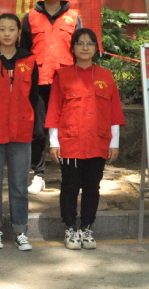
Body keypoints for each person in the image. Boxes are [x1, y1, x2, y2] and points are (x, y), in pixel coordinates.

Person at [46, 28, 124, 251]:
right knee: (70, 186)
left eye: (90, 43)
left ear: (96, 48)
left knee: (92, 187)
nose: (85, 47)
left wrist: (114, 143)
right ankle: (70, 227)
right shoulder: (62, 75)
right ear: (72, 48)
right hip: (70, 142)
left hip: (98, 142)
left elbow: (114, 112)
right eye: (80, 43)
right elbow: (54, 109)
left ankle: (87, 227)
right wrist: (54, 142)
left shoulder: (106, 76)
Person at [0, 13, 42, 252]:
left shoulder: (30, 61)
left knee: (19, 185)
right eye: (2, 29)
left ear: (18, 33)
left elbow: (34, 97)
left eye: (11, 29)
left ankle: (20, 231)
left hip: (21, 130)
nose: (7, 34)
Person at [22, 0, 82, 195]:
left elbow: (80, 51)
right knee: (38, 130)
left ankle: (69, 173)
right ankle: (38, 175)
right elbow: (24, 51)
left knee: (68, 129)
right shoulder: (30, 17)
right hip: (38, 83)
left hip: (66, 83)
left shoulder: (73, 17)